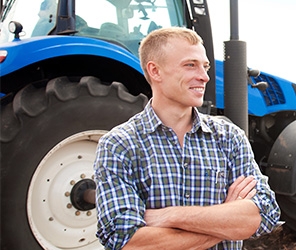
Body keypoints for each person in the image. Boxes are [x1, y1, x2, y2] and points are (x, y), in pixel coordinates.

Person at [93, 27, 280, 250]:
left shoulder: (229, 138)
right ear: (155, 71)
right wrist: (226, 223)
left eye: (205, 66)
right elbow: (127, 241)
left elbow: (263, 214)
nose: (205, 76)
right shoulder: (120, 145)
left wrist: (169, 216)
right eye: (190, 65)